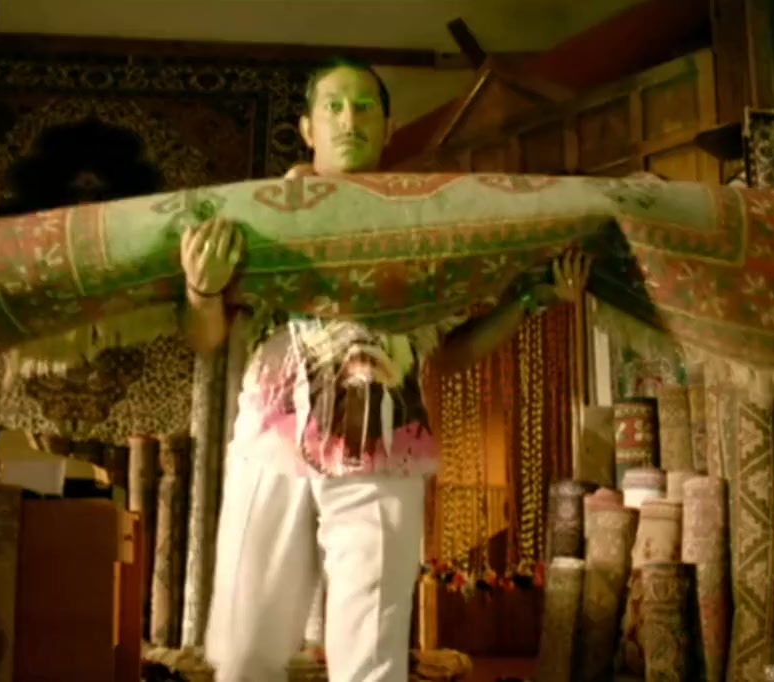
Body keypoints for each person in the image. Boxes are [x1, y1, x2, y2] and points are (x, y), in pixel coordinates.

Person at [180, 56, 592, 682]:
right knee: (244, 649)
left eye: (365, 106)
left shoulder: (422, 224)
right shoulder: (260, 218)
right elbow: (206, 337)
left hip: (383, 443)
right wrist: (202, 291)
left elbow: (446, 351)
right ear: (307, 128)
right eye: (334, 107)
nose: (349, 119)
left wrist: (533, 298)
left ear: (387, 125)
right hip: (272, 440)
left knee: (371, 658)